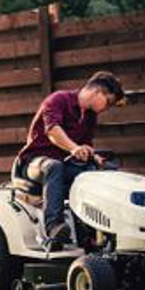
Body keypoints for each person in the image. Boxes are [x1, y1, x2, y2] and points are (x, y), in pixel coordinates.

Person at [17, 71, 126, 248]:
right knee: (54, 167)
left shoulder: (90, 117)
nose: (109, 107)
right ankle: (54, 227)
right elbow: (52, 131)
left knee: (91, 173)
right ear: (97, 92)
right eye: (109, 101)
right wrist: (74, 148)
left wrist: (93, 155)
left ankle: (89, 237)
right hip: (33, 163)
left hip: (64, 165)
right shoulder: (58, 100)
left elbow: (86, 144)